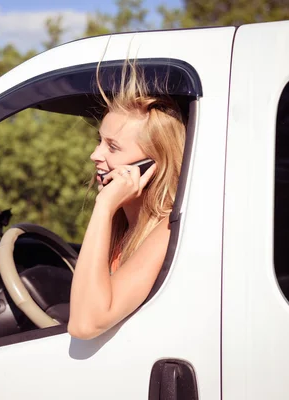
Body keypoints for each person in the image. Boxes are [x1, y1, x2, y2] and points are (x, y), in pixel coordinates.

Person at [67, 60, 187, 340]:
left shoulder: (167, 229)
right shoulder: (123, 223)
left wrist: (104, 207)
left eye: (113, 146)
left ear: (152, 164)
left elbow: (85, 325)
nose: (95, 155)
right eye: (99, 141)